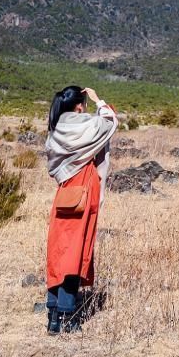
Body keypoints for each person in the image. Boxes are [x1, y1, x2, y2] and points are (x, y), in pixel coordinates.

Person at [44, 85, 118, 335]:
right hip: (84, 188)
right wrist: (99, 99)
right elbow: (109, 121)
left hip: (64, 190)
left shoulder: (56, 128)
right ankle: (67, 315)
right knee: (76, 249)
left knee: (58, 250)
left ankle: (52, 315)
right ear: (79, 106)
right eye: (84, 103)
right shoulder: (84, 123)